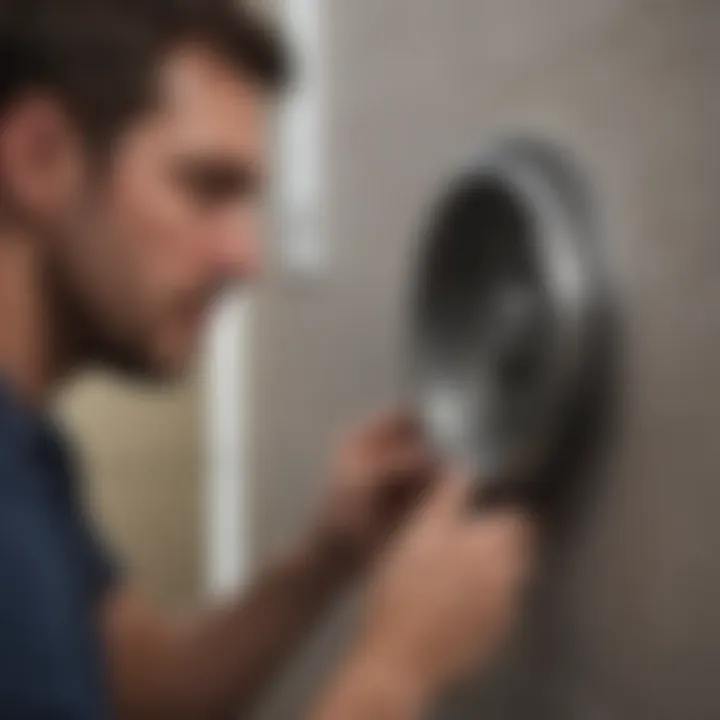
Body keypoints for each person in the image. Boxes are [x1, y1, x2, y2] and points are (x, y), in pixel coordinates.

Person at [0, 0, 538, 718]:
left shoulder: (29, 453)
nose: (247, 258)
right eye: (205, 187)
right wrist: (397, 668)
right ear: (41, 158)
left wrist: (327, 556)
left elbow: (148, 688)